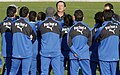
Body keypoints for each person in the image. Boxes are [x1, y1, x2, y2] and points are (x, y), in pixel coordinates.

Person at [9, 6, 36, 75]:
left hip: (16, 52)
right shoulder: (30, 25)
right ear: (28, 14)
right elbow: (34, 38)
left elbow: (12, 34)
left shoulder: (13, 24)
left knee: (13, 71)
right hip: (26, 53)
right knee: (25, 72)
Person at [95, 10, 120, 75]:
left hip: (104, 56)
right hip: (115, 56)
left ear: (103, 17)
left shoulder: (101, 29)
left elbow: (96, 38)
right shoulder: (118, 27)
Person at [67, 9, 92, 75]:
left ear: (74, 17)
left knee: (74, 73)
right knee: (87, 73)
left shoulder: (71, 29)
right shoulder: (88, 28)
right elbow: (89, 43)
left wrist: (76, 53)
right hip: (84, 55)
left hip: (74, 55)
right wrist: (81, 53)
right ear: (83, 17)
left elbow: (69, 43)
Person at [38, 7, 62, 75]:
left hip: (45, 51)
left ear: (45, 13)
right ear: (54, 14)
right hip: (55, 51)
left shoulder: (41, 24)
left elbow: (40, 33)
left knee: (44, 71)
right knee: (57, 71)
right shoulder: (59, 24)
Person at [0, 6, 17, 75]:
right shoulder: (16, 23)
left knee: (8, 67)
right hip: (15, 50)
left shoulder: (2, 23)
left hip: (5, 49)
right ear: (14, 13)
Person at [29, 11, 38, 75]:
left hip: (27, 47)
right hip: (36, 47)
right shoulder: (39, 24)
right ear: (36, 17)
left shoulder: (26, 24)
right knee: (34, 63)